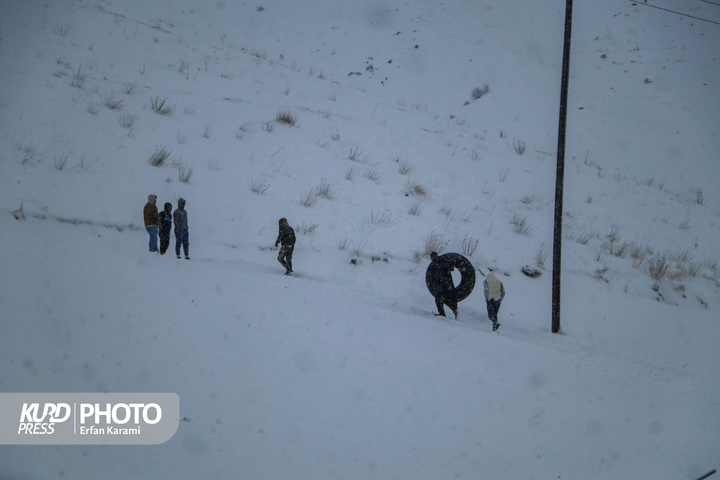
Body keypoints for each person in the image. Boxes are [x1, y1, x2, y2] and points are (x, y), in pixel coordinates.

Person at [426, 251, 458, 318]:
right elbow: (452, 268)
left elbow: (430, 274)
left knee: (439, 299)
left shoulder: (434, 263)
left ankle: (442, 313)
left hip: (440, 284)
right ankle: (455, 310)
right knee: (448, 298)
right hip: (448, 284)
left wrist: (429, 281)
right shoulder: (444, 261)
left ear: (432, 257)